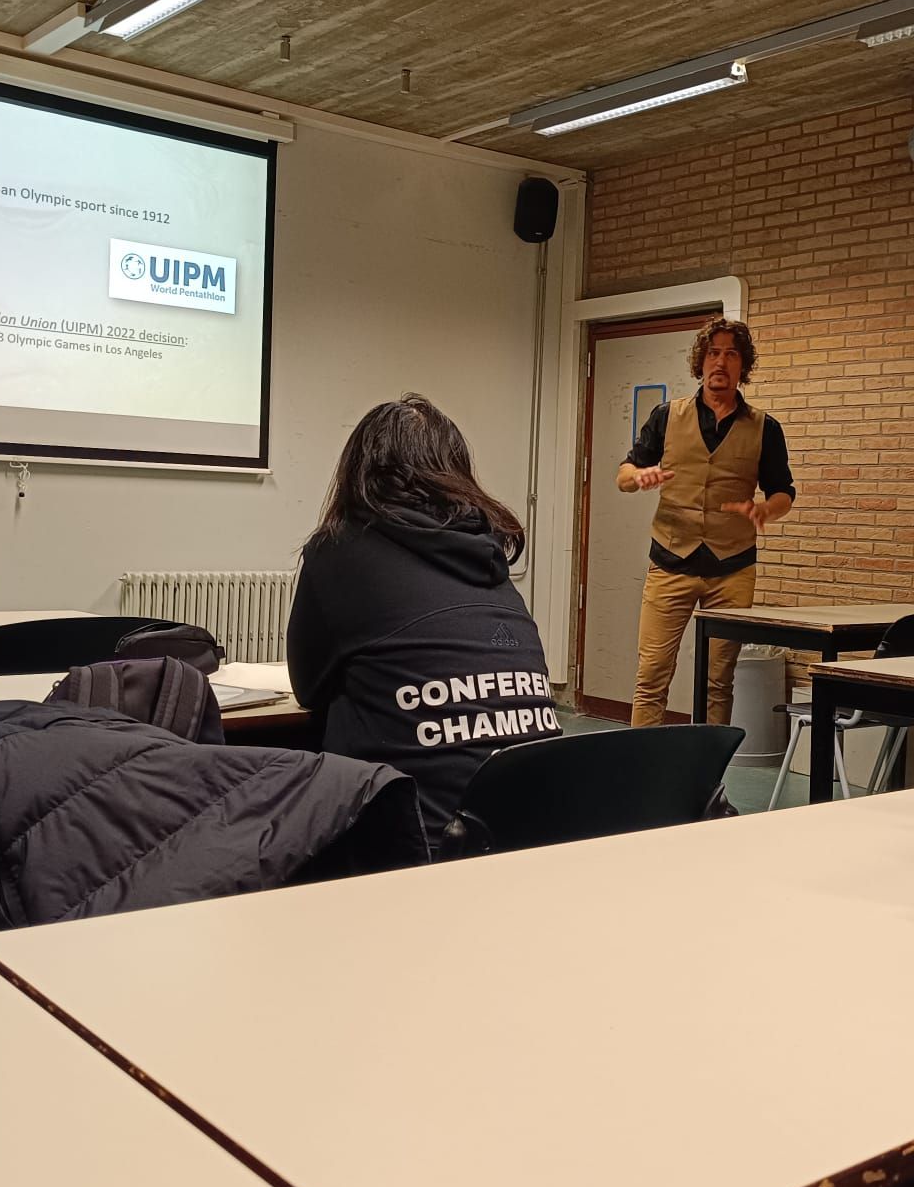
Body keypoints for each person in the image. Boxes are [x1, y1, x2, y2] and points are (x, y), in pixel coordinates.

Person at [287, 395, 559, 857]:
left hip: (420, 852)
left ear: (358, 469)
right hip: (538, 838)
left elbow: (308, 687)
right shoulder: (486, 549)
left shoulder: (339, 550)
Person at [616, 317, 795, 726]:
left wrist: (769, 509)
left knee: (720, 682)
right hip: (670, 562)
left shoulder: (765, 428)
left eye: (731, 354)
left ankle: (708, 775)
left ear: (742, 366)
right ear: (701, 361)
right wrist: (637, 477)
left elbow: (783, 491)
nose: (721, 361)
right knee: (651, 677)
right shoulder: (667, 416)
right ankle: (642, 769)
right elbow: (624, 473)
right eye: (714, 352)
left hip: (732, 569)